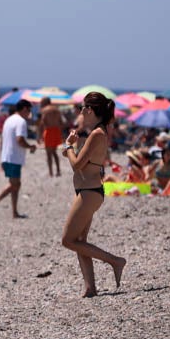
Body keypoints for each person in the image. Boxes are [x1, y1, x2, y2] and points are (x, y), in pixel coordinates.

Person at [60, 92, 127, 297]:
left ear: (89, 110)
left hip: (89, 192)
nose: (80, 112)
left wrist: (69, 146)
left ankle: (115, 261)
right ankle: (90, 287)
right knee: (80, 239)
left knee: (68, 240)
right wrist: (70, 149)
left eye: (82, 108)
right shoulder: (98, 132)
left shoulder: (97, 133)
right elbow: (77, 160)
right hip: (87, 190)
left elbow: (77, 164)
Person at [0, 100, 36, 219]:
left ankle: (14, 212)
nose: (29, 113)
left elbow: (3, 140)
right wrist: (31, 146)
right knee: (14, 184)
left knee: (16, 184)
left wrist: (2, 156)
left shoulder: (8, 119)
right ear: (24, 109)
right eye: (29, 110)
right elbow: (20, 140)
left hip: (7, 156)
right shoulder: (21, 121)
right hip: (14, 157)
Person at [38, 97, 64, 177]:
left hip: (49, 131)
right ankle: (58, 171)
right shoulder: (57, 109)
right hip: (56, 131)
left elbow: (43, 122)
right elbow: (61, 122)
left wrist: (39, 135)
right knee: (54, 152)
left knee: (49, 153)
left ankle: (50, 172)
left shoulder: (44, 110)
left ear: (45, 102)